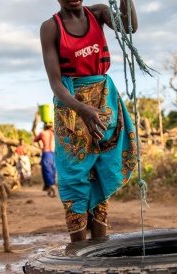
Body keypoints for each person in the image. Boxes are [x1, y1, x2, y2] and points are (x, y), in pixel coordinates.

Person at [40, 0, 139, 242]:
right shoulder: (51, 27)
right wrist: (81, 109)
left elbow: (129, 27)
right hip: (71, 108)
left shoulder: (98, 13)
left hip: (104, 102)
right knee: (74, 178)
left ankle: (100, 253)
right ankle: (79, 254)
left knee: (102, 172)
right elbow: (56, 84)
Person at [33, 122, 57, 197]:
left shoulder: (43, 133)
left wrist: (40, 146)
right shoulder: (55, 133)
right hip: (54, 153)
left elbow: (35, 140)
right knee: (53, 170)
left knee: (46, 171)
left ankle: (50, 186)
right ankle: (51, 186)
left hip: (46, 153)